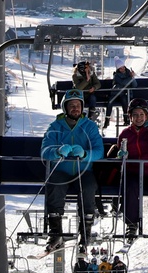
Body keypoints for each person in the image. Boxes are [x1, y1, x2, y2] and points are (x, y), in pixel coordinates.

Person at [41, 89, 104, 251]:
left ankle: (85, 232)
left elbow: (99, 151)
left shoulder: (89, 127)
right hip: (61, 170)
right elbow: (45, 150)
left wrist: (84, 154)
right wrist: (57, 151)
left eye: (78, 105)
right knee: (55, 184)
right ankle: (55, 232)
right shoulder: (55, 127)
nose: (75, 108)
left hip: (84, 171)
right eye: (71, 105)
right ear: (65, 108)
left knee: (89, 187)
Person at [118, 100, 148, 242]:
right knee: (130, 187)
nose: (138, 118)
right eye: (135, 115)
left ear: (146, 116)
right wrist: (123, 155)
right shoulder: (126, 133)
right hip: (133, 171)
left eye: (141, 114)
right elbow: (121, 152)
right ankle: (131, 223)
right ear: (130, 117)